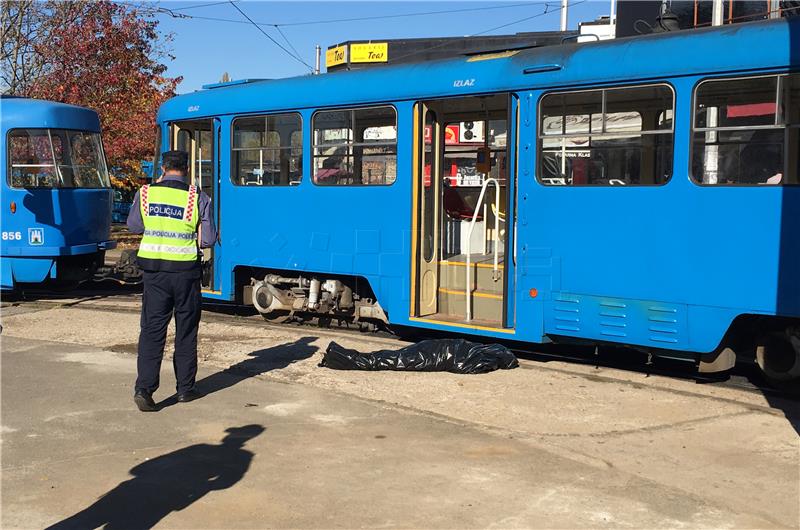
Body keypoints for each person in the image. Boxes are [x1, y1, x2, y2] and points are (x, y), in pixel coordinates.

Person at [126, 150, 217, 412]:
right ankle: (185, 390)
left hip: (154, 274)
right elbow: (208, 240)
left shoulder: (145, 193)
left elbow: (133, 226)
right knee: (186, 332)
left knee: (153, 330)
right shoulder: (197, 197)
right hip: (185, 274)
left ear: (163, 168)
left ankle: (144, 389)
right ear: (186, 168)